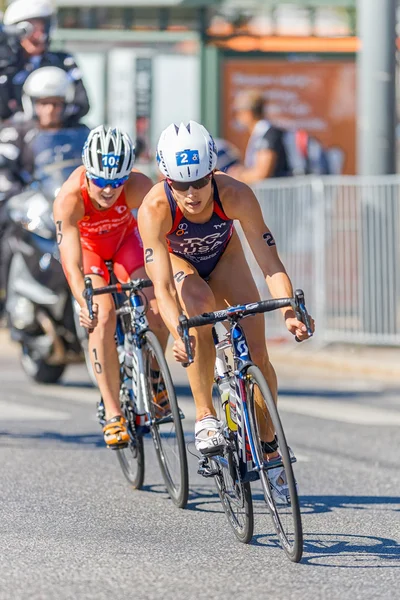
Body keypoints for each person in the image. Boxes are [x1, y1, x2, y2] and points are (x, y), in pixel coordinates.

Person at [138, 121, 314, 503]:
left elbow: (270, 263)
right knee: (197, 311)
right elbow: (163, 287)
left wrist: (288, 310)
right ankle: (205, 416)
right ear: (166, 179)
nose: (191, 194)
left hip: (225, 259)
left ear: (213, 172)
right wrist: (177, 329)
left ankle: (269, 446)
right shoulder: (154, 208)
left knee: (259, 354)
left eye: (199, 182)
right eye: (180, 185)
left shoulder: (235, 194)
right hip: (181, 263)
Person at [53, 125, 169, 448]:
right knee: (102, 314)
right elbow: (73, 266)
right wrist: (83, 301)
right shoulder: (69, 199)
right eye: (101, 182)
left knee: (155, 304)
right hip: (89, 253)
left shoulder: (139, 186)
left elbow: (164, 233)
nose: (108, 190)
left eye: (117, 182)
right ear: (88, 173)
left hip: (124, 243)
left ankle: (155, 377)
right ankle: (113, 411)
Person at [0, 66, 89, 316]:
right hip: (29, 204)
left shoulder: (81, 132)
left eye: (56, 103)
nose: (50, 110)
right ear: (32, 103)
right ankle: (6, 298)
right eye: (44, 103)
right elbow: (6, 172)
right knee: (7, 236)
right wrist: (17, 195)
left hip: (68, 204)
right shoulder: (16, 130)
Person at [0, 0, 89, 124]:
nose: (39, 35)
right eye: (28, 30)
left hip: (55, 136)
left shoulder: (63, 62)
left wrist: (54, 118)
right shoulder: (5, 67)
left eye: (43, 28)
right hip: (13, 138)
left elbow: (82, 104)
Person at [228, 90, 290, 183]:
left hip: (278, 195)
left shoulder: (269, 134)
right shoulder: (260, 134)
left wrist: (238, 176)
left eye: (238, 112)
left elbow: (261, 173)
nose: (237, 116)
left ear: (248, 113)